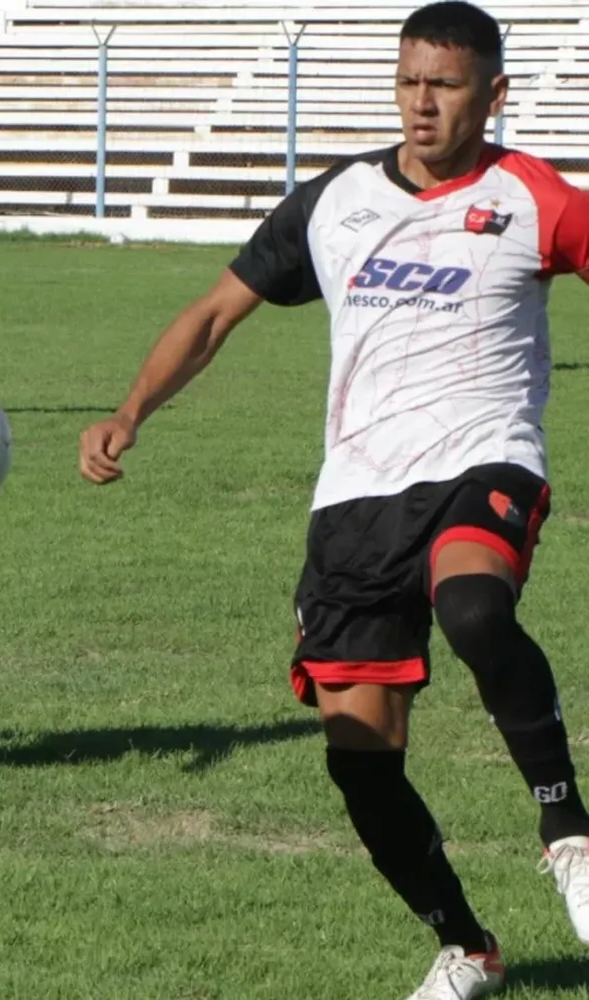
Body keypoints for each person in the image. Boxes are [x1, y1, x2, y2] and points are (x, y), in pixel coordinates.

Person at [79, 2, 589, 996]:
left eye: (443, 85)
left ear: (492, 94)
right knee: (360, 758)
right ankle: (464, 944)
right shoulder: (338, 199)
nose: (420, 104)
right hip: (356, 496)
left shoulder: (536, 199)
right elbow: (216, 311)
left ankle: (566, 829)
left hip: (482, 460)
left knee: (475, 606)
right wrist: (130, 410)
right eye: (407, 82)